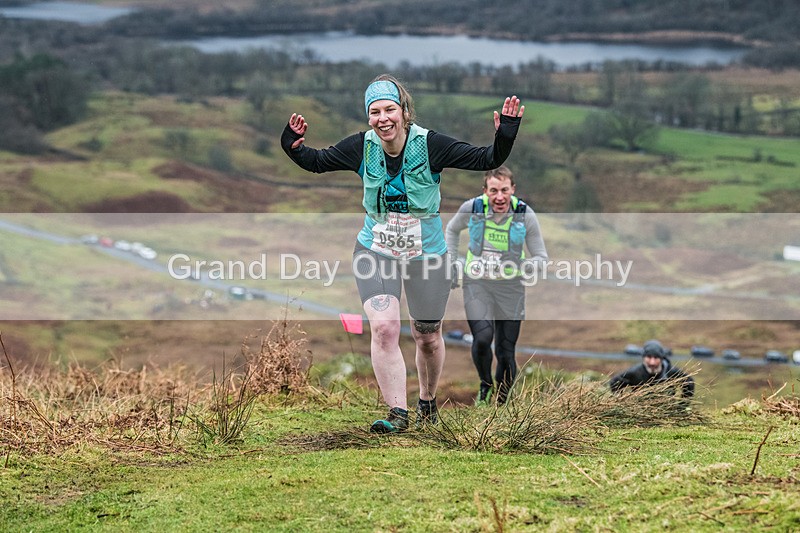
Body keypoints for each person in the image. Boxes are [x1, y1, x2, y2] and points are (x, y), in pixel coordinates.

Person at [281, 74, 525, 432]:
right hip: (375, 250)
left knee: (427, 337)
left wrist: (505, 133)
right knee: (384, 328)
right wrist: (292, 145)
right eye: (375, 112)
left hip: (427, 256)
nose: (383, 119)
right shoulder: (360, 148)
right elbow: (316, 161)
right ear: (368, 117)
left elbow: (485, 157)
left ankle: (427, 401)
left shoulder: (430, 145)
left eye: (390, 110)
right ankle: (398, 413)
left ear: (404, 111)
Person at [444, 166, 548, 405]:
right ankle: (485, 384)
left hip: (510, 288)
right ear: (485, 191)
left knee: (505, 351)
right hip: (476, 282)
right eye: (493, 191)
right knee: (482, 338)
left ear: (513, 190)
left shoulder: (525, 214)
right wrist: (451, 262)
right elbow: (451, 230)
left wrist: (521, 265)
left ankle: (502, 402)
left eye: (504, 190)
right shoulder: (472, 208)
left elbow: (541, 258)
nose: (499, 197)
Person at [609, 339, 695, 398]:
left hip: (667, 412)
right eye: (649, 357)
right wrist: (621, 401)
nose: (652, 362)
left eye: (656, 358)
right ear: (643, 357)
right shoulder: (634, 372)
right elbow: (614, 382)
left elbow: (689, 382)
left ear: (661, 358)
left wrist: (682, 405)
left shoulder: (670, 371)